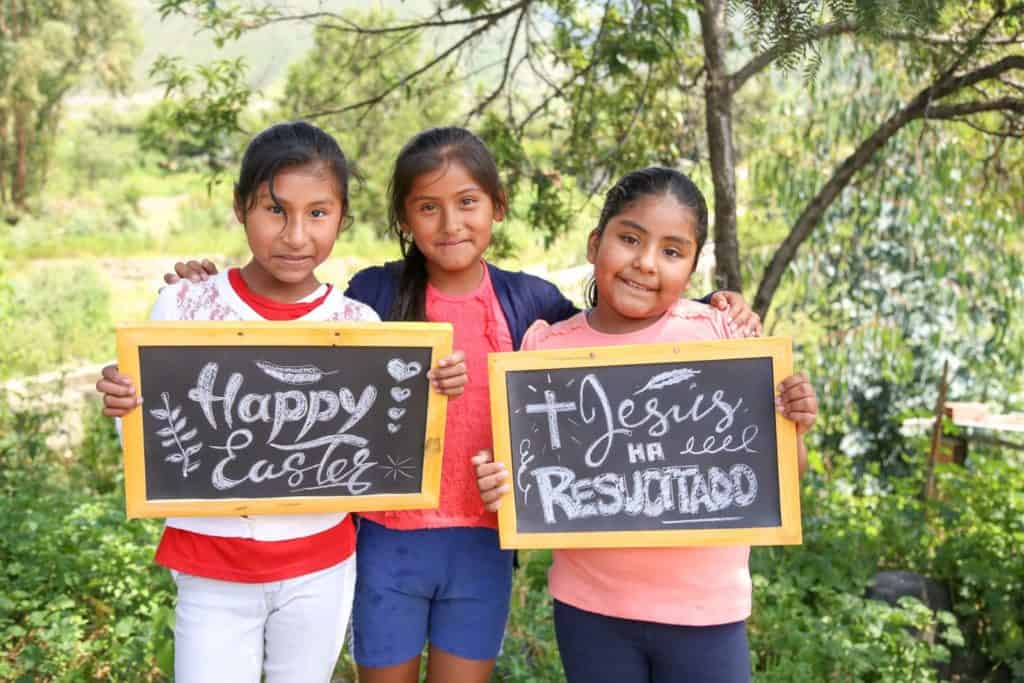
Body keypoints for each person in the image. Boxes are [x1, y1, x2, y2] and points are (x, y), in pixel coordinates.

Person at [159, 127, 764, 683]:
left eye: (468, 202)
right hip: (387, 541)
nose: (450, 223)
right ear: (405, 217)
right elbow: (300, 350)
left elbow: (609, 339)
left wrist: (713, 306)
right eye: (428, 206)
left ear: (496, 206)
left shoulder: (531, 302)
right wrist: (204, 289)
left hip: (481, 542)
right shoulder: (371, 295)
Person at [93, 121, 467, 683]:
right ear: (242, 208)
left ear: (342, 217)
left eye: (317, 213)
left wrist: (430, 394)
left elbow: (382, 450)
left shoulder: (358, 324)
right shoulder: (185, 306)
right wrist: (125, 405)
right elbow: (150, 445)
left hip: (320, 566)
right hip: (210, 566)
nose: (296, 235)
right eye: (275, 211)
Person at [473, 166, 819, 683]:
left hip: (707, 612)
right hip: (590, 610)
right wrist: (499, 484)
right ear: (595, 244)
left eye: (671, 251)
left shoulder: (721, 338)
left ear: (693, 268)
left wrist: (795, 424)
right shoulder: (546, 350)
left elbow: (783, 478)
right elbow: (524, 476)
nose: (645, 263)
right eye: (629, 239)